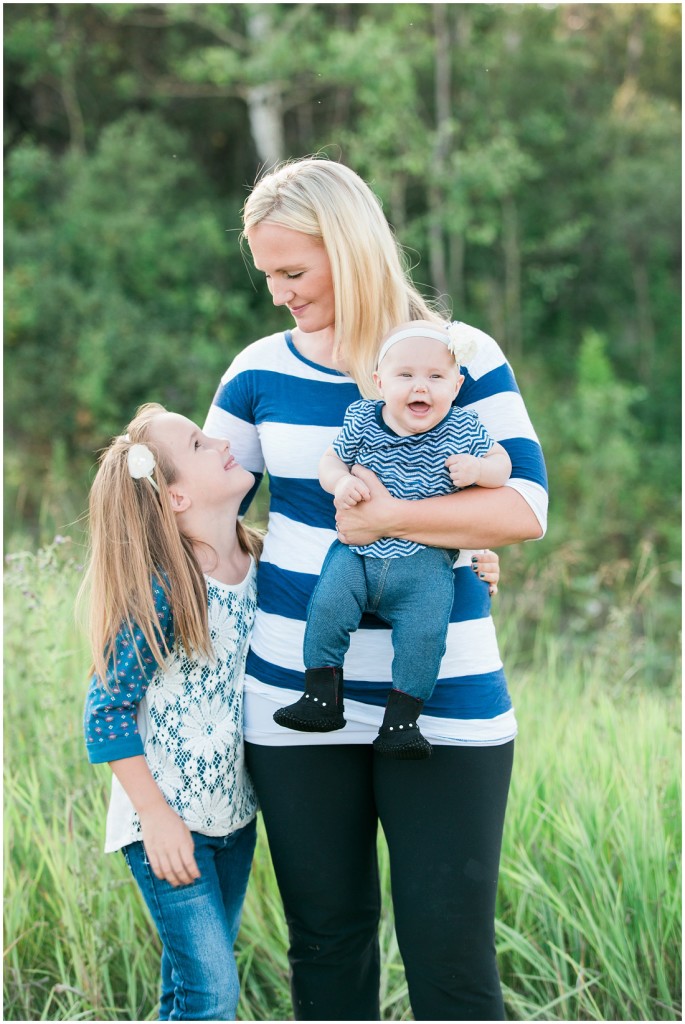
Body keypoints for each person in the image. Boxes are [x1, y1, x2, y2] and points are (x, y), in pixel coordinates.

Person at [204, 156, 548, 1021]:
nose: (279, 292)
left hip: (447, 700)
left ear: (349, 250)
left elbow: (525, 507)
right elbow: (202, 521)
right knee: (326, 946)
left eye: (293, 271)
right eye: (267, 275)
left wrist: (407, 517)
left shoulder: (462, 356)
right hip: (291, 695)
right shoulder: (256, 370)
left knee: (452, 961)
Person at [81, 402, 262, 1022]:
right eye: (197, 443)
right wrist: (155, 818)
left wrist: (467, 562)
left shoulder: (257, 557)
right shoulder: (166, 587)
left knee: (186, 992)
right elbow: (104, 711)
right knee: (213, 997)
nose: (219, 441)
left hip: (234, 820)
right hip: (166, 826)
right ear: (176, 499)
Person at [273, 319, 512, 759]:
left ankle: (401, 722)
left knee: (425, 635)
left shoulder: (462, 428)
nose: (421, 387)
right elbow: (330, 461)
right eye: (406, 376)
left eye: (436, 377)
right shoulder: (363, 418)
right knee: (327, 605)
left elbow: (504, 464)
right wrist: (340, 483)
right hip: (357, 554)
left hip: (425, 564)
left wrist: (480, 471)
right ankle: (321, 697)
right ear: (380, 383)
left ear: (456, 386)